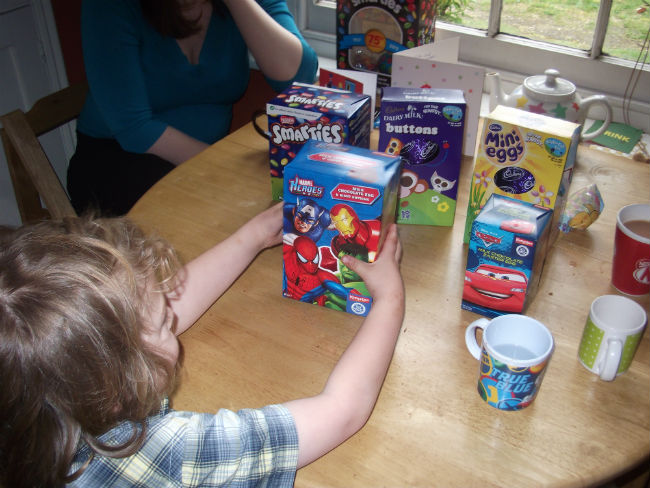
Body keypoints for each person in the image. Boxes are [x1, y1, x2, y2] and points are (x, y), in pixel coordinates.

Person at [0, 203, 405, 487]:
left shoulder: (40, 390)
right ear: (113, 386)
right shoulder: (170, 455)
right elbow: (342, 411)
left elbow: (149, 315)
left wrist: (250, 238)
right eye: (163, 324)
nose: (173, 318)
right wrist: (389, 299)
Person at [67, 0, 318, 216]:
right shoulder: (112, 6)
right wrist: (231, 174)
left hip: (201, 162)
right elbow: (134, 130)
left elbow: (297, 75)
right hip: (117, 161)